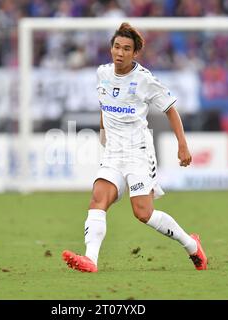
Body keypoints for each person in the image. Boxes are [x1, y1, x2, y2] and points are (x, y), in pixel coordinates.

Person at [62, 22, 207, 272]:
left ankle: (191, 245)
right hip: (114, 153)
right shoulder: (102, 74)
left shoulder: (144, 79)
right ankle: (91, 260)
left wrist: (182, 145)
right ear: (111, 49)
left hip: (139, 152)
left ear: (135, 53)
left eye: (126, 49)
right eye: (116, 47)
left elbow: (171, 110)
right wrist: (104, 132)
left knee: (143, 213)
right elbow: (104, 104)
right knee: (98, 199)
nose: (120, 53)